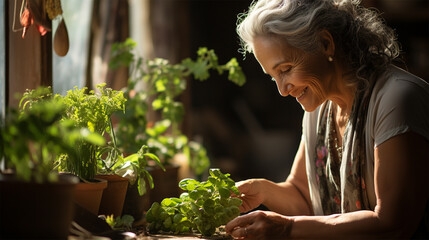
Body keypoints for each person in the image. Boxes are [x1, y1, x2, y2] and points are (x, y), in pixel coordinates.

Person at [225, 0, 429, 239]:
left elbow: (393, 223)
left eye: (286, 69)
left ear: (325, 44)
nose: (282, 90)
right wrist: (261, 190)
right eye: (273, 77)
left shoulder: (397, 98)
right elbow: (303, 197)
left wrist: (287, 228)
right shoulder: (318, 109)